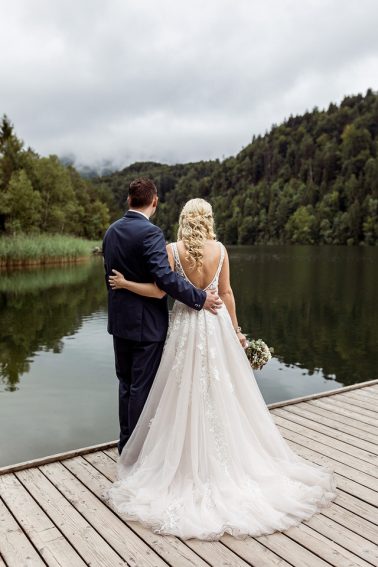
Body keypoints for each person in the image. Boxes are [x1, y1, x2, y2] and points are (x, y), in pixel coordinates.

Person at [105, 198, 336, 541]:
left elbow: (159, 292)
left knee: (178, 392)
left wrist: (125, 285)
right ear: (209, 220)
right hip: (215, 328)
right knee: (222, 392)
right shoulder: (221, 250)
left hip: (183, 328)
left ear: (184, 220)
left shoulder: (171, 249)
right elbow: (226, 293)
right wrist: (238, 332)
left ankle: (173, 462)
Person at [102, 180, 222, 455]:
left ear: (128, 199)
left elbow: (108, 275)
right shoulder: (151, 233)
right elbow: (165, 279)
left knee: (126, 385)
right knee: (141, 388)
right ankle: (137, 450)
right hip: (146, 325)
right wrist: (200, 298)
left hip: (119, 323)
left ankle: (125, 445)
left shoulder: (111, 231)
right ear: (154, 201)